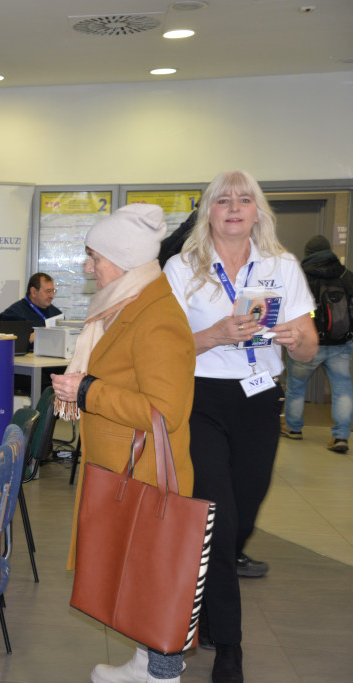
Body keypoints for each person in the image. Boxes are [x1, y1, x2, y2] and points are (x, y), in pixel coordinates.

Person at [164, 170, 317, 683]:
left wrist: (298, 340)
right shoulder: (181, 267)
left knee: (245, 512)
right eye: (222, 200)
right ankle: (229, 644)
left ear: (258, 211)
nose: (233, 207)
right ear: (208, 210)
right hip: (201, 398)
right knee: (219, 518)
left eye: (243, 200)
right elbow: (166, 348)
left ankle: (208, 599)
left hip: (258, 398)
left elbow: (311, 344)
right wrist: (215, 334)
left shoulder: (282, 265)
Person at [51, 204, 195, 683]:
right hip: (127, 467)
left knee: (154, 573)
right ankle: (144, 661)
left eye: (94, 257)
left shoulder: (156, 316)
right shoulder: (127, 303)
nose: (88, 267)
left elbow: (165, 411)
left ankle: (161, 674)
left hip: (148, 471)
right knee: (138, 574)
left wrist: (87, 390)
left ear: (124, 258)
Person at [281, 235, 353, 453]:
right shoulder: (346, 275)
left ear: (308, 253)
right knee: (343, 390)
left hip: (306, 342)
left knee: (296, 387)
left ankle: (294, 429)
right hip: (340, 343)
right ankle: (340, 436)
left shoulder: (300, 277)